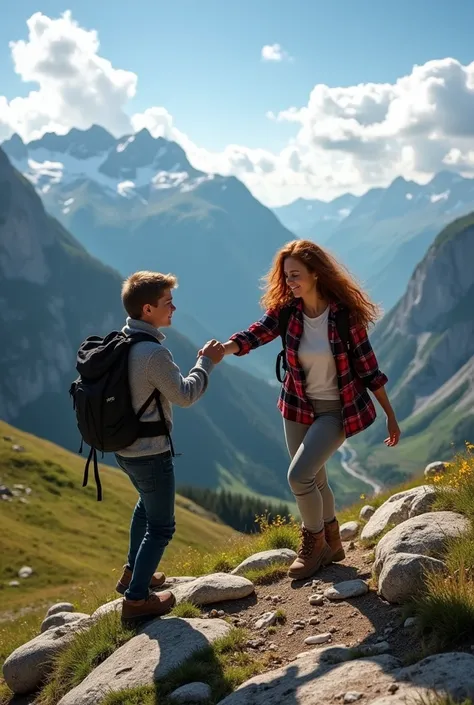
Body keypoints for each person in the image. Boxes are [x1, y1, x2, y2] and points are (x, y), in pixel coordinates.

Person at [220, 240, 400, 580]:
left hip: (336, 411)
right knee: (315, 479)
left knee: (298, 476)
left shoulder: (344, 318)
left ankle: (313, 544)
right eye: (286, 276)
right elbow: (257, 333)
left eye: (296, 275)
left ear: (316, 274)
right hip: (296, 407)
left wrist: (389, 414)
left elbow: (369, 368)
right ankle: (333, 545)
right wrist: (224, 349)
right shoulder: (287, 312)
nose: (290, 283)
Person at [115, 271, 224, 620]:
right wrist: (205, 363)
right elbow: (185, 395)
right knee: (162, 526)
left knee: (145, 508)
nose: (174, 307)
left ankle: (134, 572)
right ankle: (136, 600)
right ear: (148, 309)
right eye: (167, 303)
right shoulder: (152, 354)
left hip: (124, 447)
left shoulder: (121, 340)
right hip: (150, 452)